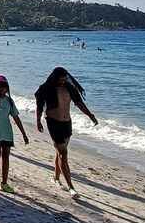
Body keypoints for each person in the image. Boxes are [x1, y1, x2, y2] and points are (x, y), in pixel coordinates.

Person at [35, 66, 98, 198]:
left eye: (64, 79)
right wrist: (38, 121)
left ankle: (56, 178)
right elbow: (39, 105)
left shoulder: (69, 88)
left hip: (67, 124)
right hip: (53, 123)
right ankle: (71, 187)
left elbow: (79, 103)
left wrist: (90, 115)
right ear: (55, 78)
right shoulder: (46, 88)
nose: (63, 82)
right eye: (61, 79)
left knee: (60, 153)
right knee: (63, 154)